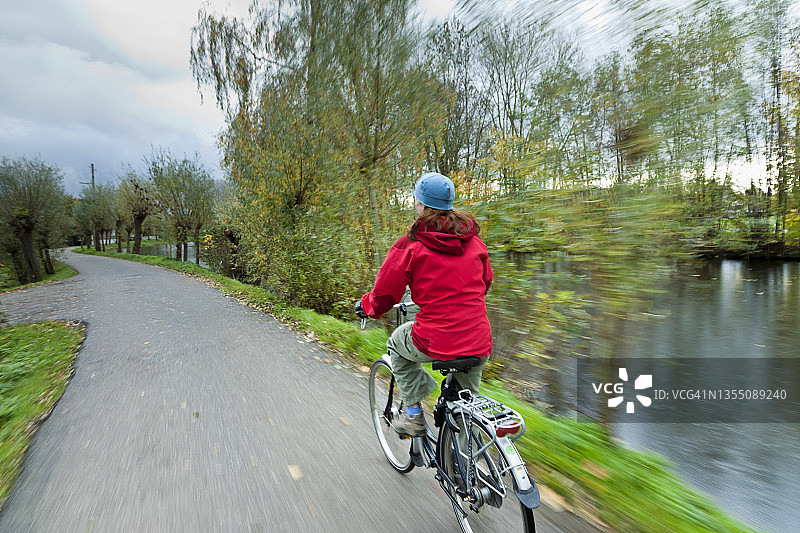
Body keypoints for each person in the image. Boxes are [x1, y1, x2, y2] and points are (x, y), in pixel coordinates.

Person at [355, 172, 493, 437]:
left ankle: (414, 416)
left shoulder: (411, 245)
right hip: (478, 338)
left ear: (420, 204)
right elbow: (485, 282)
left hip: (437, 340)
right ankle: (465, 469)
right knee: (466, 405)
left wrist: (366, 307)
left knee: (397, 341)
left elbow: (384, 296)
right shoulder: (473, 241)